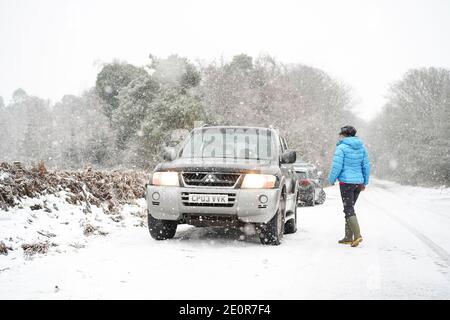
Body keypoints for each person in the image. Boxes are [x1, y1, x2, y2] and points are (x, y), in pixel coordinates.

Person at [328, 125, 370, 247]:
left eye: (341, 134)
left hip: (346, 183)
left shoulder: (341, 148)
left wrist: (331, 179)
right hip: (358, 183)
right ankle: (348, 237)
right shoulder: (362, 148)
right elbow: (366, 166)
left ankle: (357, 236)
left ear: (344, 135)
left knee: (348, 209)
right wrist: (364, 182)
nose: (339, 136)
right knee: (350, 208)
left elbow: (337, 166)